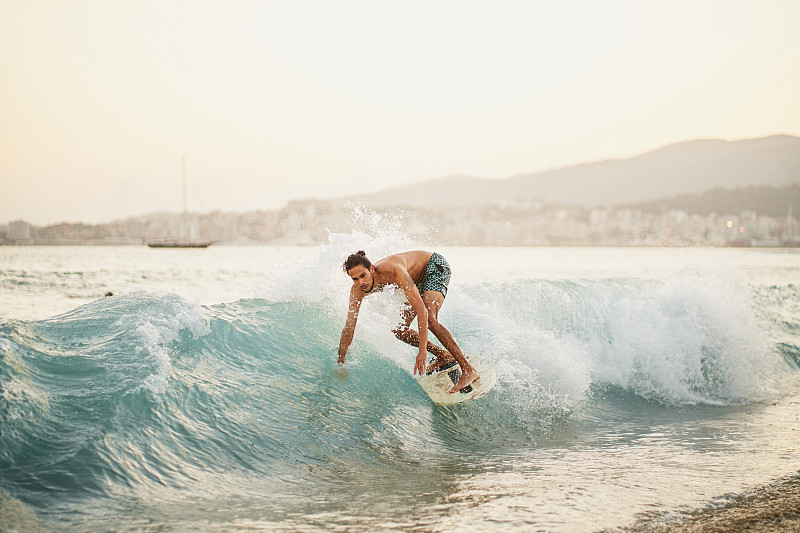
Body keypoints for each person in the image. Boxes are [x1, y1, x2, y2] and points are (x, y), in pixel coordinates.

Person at [337, 250, 479, 393]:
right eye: (355, 279)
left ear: (371, 269)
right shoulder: (357, 290)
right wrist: (341, 363)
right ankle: (444, 356)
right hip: (415, 282)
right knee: (400, 330)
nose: (361, 282)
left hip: (433, 267)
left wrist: (422, 350)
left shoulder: (393, 271)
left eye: (363, 276)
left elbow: (421, 310)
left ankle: (468, 370)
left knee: (430, 319)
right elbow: (349, 327)